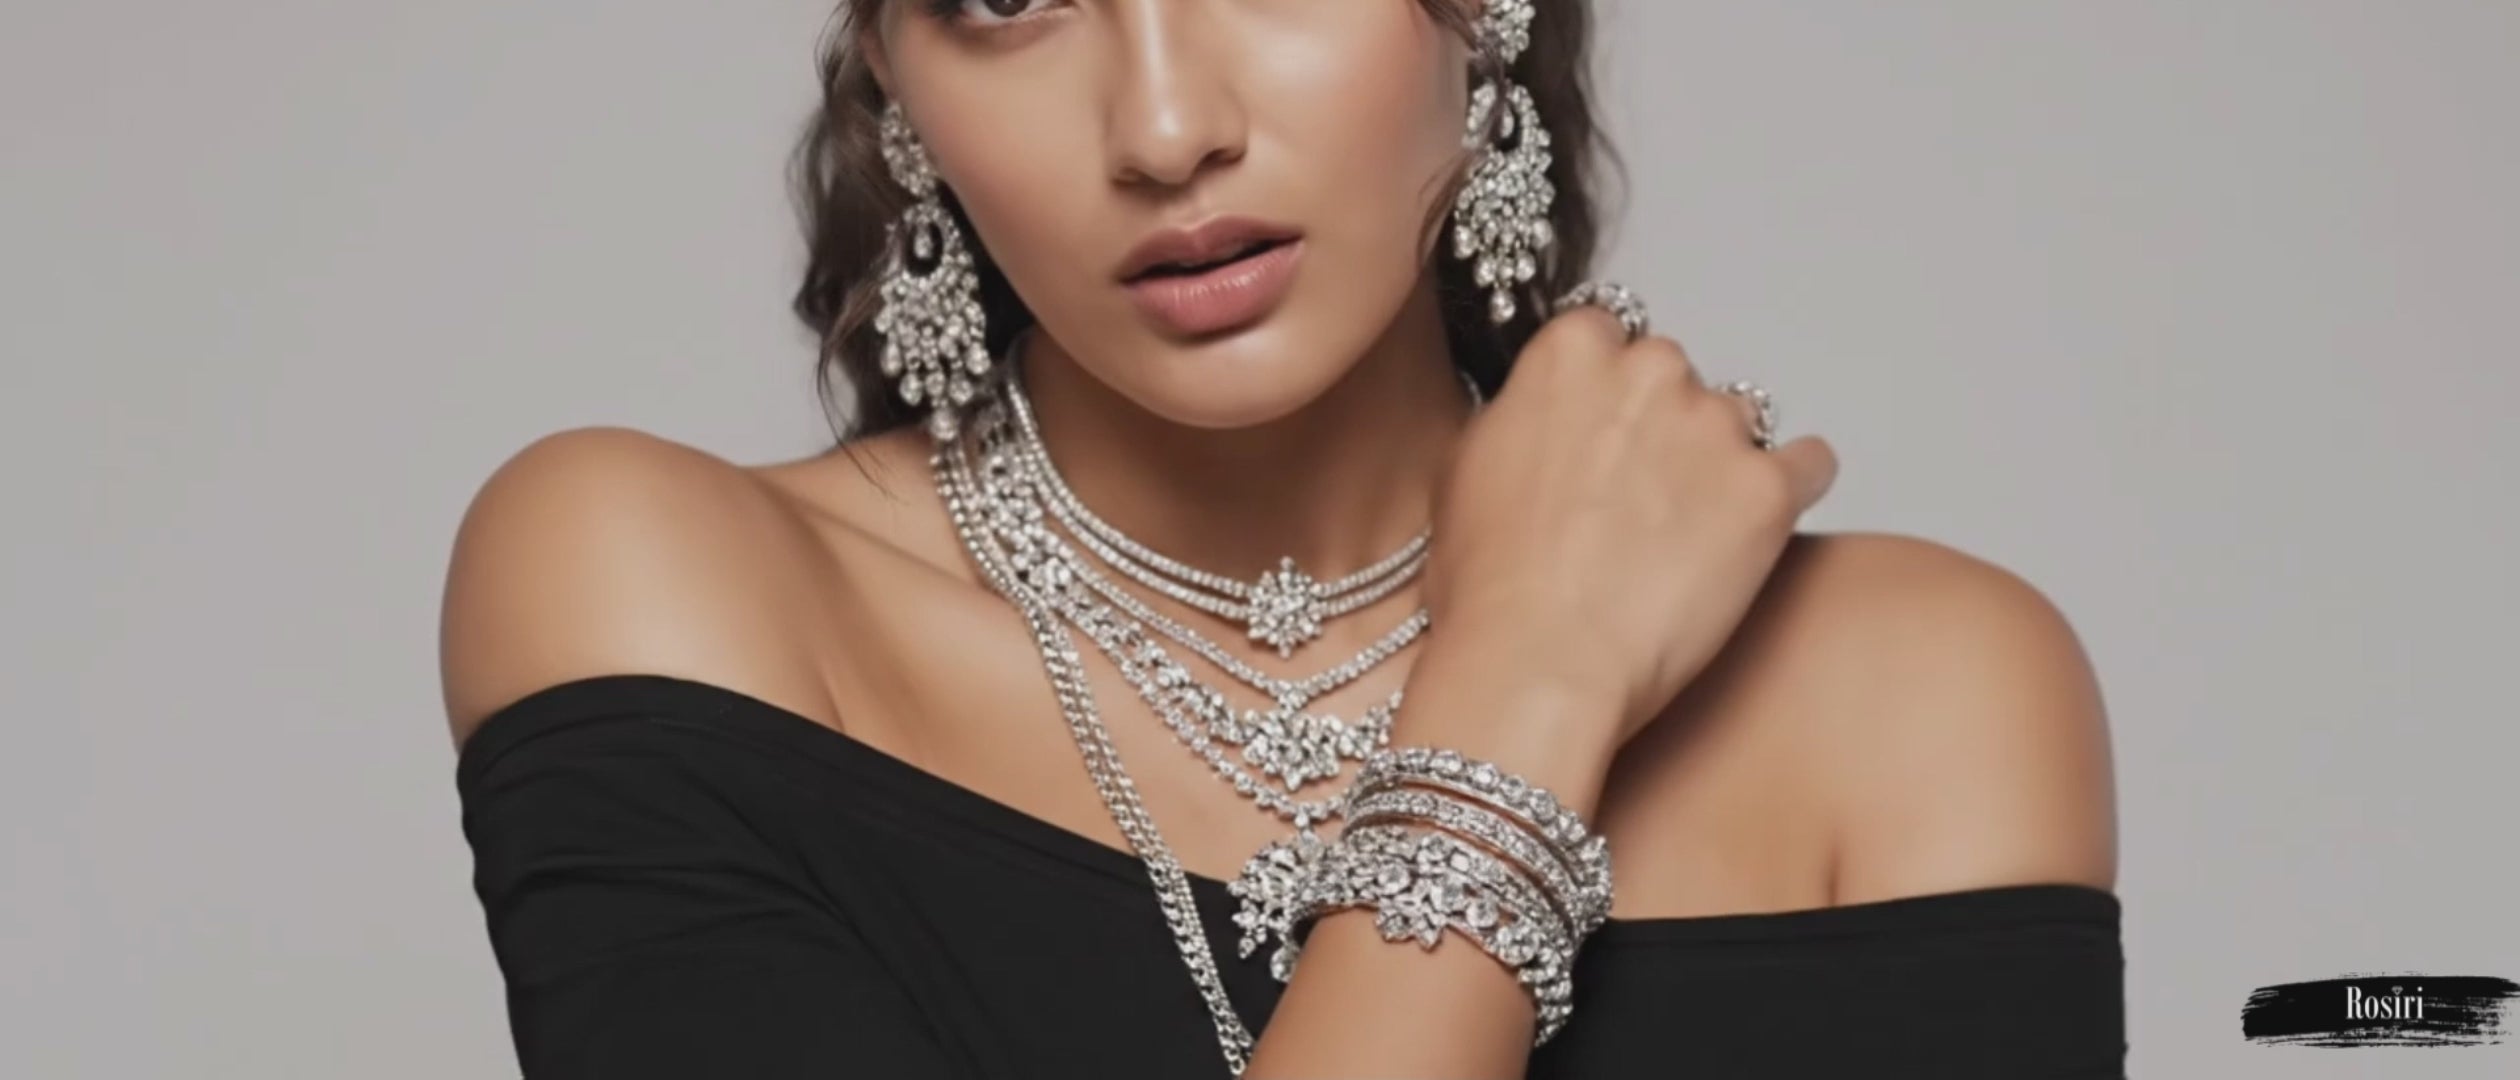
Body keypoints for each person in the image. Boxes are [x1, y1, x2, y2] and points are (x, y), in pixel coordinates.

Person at [441, 1, 2124, 1076]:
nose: (1165, 128)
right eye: (1011, 1)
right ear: (893, 67)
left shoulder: (1917, 698)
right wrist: (1528, 683)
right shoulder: (670, 597)